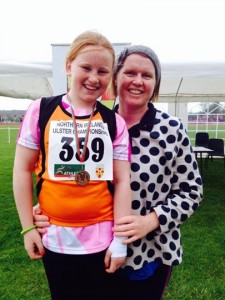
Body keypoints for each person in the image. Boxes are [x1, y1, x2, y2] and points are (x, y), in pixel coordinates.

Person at [34, 44, 203, 299]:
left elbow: (192, 191)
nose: (137, 81)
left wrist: (151, 221)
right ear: (115, 79)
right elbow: (74, 177)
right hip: (96, 251)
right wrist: (48, 206)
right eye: (130, 73)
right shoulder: (98, 123)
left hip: (148, 254)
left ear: (155, 85)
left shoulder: (172, 130)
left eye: (147, 75)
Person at [13, 31, 131, 300]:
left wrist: (120, 241)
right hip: (53, 236)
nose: (93, 78)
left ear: (110, 76)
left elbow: (122, 181)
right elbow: (22, 169)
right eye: (86, 67)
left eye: (103, 71)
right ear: (69, 66)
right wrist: (27, 228)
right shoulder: (40, 110)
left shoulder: (115, 123)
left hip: (102, 237)